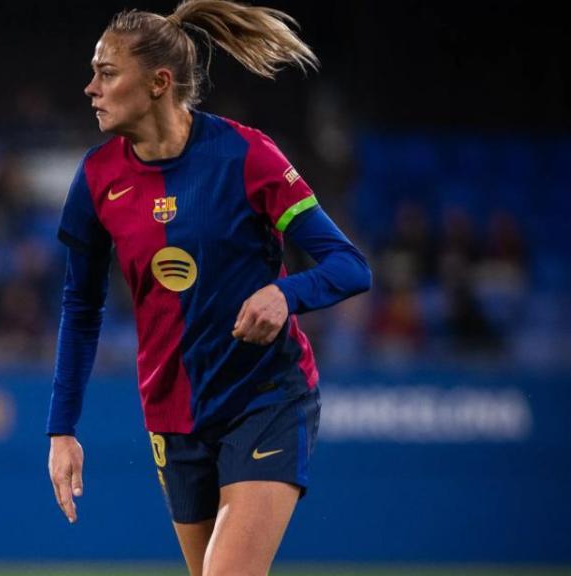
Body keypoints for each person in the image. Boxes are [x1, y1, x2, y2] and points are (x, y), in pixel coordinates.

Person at [45, 1, 372, 574]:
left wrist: (285, 294)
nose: (90, 88)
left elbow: (349, 265)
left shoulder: (247, 156)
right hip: (172, 416)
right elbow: (81, 307)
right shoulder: (97, 179)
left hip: (265, 397)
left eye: (107, 73)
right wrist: (61, 429)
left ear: (158, 83)